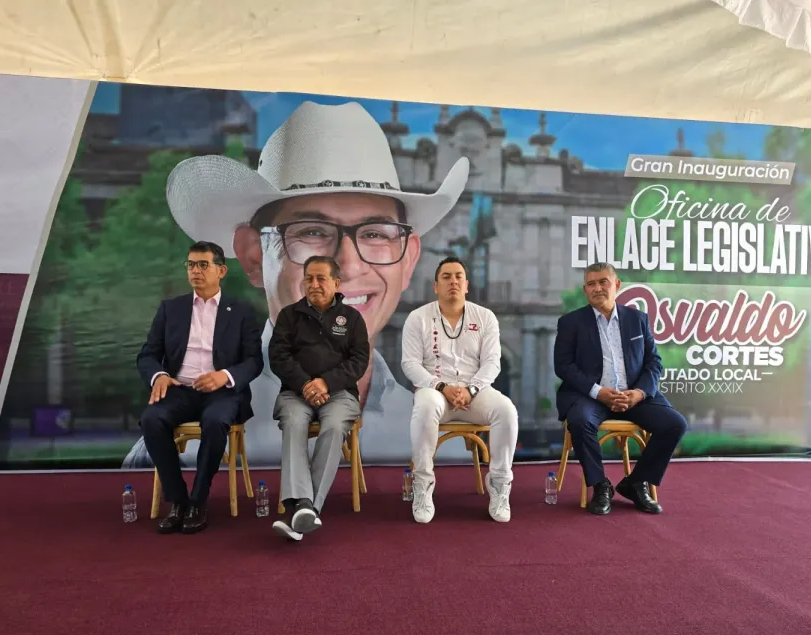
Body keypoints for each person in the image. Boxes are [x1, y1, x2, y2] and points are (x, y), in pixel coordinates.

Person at [122, 100, 471, 469]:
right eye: (313, 232)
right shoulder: (181, 448)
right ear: (254, 256)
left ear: (408, 259)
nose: (347, 267)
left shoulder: (445, 444)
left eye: (375, 234)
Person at [136, 241, 264, 533]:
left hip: (221, 393)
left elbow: (254, 361)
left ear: (221, 271)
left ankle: (198, 500)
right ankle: (178, 500)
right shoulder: (171, 309)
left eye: (203, 265)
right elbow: (147, 355)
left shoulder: (241, 311)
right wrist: (159, 375)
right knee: (151, 419)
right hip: (179, 390)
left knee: (216, 421)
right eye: (191, 265)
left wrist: (225, 376)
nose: (195, 271)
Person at [553, 262, 687, 515]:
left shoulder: (638, 319)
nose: (597, 288)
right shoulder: (570, 322)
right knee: (580, 421)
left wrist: (639, 393)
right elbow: (564, 367)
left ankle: (636, 483)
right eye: (591, 284)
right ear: (585, 290)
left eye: (603, 282)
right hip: (590, 396)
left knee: (675, 424)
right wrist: (599, 392)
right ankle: (600, 486)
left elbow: (654, 362)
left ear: (616, 285)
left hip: (633, 396)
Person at [400, 256, 519, 523]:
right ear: (435, 286)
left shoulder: (485, 317)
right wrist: (441, 386)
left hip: (474, 392)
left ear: (467, 285)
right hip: (435, 390)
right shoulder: (417, 318)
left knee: (506, 411)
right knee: (425, 405)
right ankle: (423, 486)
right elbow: (410, 364)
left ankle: (500, 485)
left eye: (458, 277)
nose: (453, 281)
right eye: (446, 277)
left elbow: (492, 363)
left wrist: (471, 389)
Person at [267, 256, 369, 541]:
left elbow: (359, 361)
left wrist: (326, 382)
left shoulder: (352, 319)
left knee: (335, 426)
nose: (314, 284)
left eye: (321, 278)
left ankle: (305, 506)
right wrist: (305, 384)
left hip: (340, 394)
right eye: (309, 278)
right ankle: (305, 508)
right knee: (293, 422)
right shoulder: (289, 316)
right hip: (295, 392)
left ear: (336, 283)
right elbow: (279, 357)